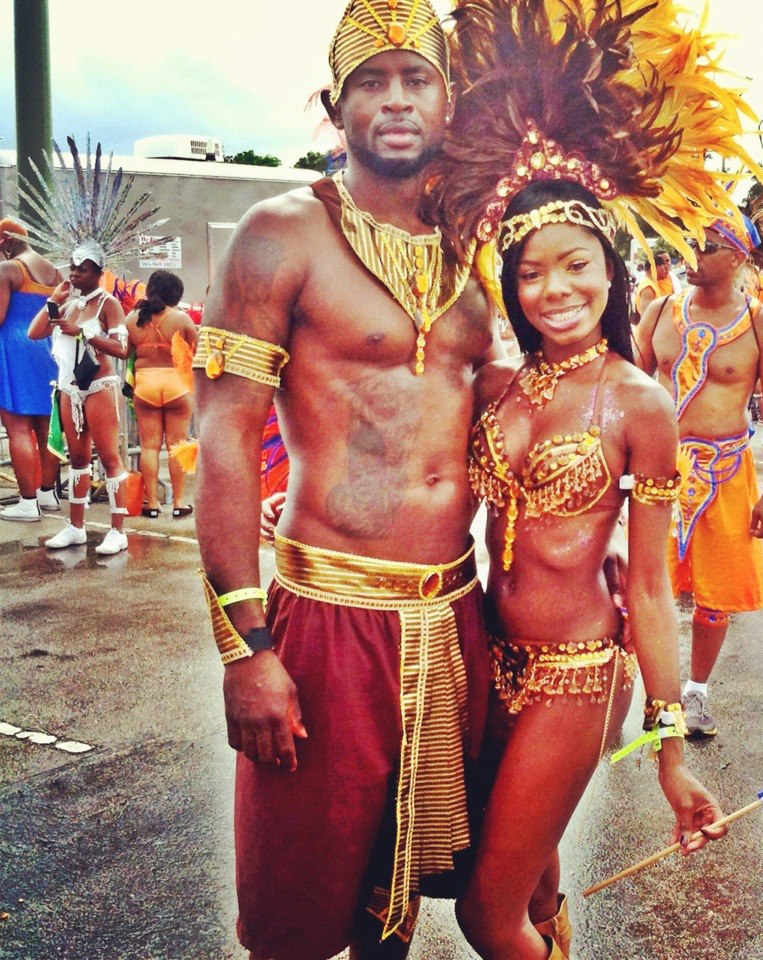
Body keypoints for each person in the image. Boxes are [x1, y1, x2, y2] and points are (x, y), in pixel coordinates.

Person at [428, 1, 763, 954]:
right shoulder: (498, 385)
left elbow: (651, 586)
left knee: (484, 912)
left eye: (575, 265)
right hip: (486, 659)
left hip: (577, 677)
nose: (555, 290)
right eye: (530, 274)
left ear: (610, 271)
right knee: (531, 886)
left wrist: (669, 753)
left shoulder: (638, 404)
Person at [193, 3, 498, 957]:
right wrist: (245, 649)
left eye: (417, 80)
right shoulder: (281, 232)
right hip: (329, 618)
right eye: (372, 82)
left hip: (455, 610)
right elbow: (224, 437)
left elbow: (531, 414)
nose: (396, 100)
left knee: (399, 896)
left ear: (451, 103)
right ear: (336, 107)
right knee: (296, 906)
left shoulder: (481, 247)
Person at [634, 214, 763, 737]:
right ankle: (651, 692)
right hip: (657, 471)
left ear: (738, 257)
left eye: (706, 246)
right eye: (689, 243)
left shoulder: (762, 324)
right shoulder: (660, 310)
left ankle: (697, 690)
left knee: (715, 593)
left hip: (725, 471)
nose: (692, 254)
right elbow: (625, 386)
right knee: (643, 584)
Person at [28, 242, 131, 554]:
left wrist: (84, 333)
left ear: (99, 273)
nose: (74, 274)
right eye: (72, 268)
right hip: (70, 389)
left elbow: (122, 349)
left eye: (82, 269)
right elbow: (35, 333)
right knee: (77, 458)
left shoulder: (109, 304)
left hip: (99, 386)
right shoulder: (70, 305)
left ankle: (118, 530)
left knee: (109, 458)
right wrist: (53, 300)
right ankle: (75, 527)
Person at [0, 218, 62, 521]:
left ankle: (27, 502)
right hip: (47, 347)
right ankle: (47, 494)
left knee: (18, 426)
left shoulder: (8, 269)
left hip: (14, 348)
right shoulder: (54, 272)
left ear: (6, 242)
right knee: (46, 426)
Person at [126, 270, 198, 517]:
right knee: (176, 446)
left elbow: (126, 352)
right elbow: (198, 352)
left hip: (146, 384)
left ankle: (152, 505)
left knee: (149, 447)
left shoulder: (132, 318)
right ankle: (178, 504)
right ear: (176, 295)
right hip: (176, 385)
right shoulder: (182, 319)